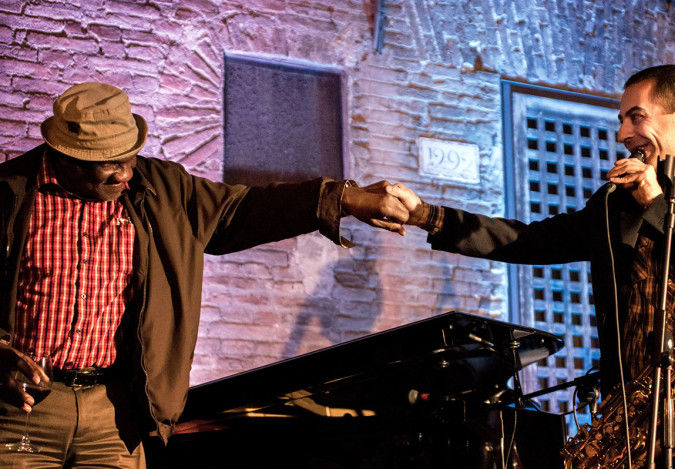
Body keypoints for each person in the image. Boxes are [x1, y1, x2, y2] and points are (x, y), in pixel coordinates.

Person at [0, 82, 411, 468]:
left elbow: (245, 209)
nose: (124, 174)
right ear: (65, 156)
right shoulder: (10, 194)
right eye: (108, 163)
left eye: (129, 155)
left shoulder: (163, 188)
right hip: (20, 411)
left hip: (114, 413)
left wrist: (343, 198)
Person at [393, 64, 675, 467]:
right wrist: (427, 216)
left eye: (636, 116)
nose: (623, 134)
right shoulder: (616, 203)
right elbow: (530, 240)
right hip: (636, 428)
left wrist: (657, 204)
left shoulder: (654, 197)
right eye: (621, 119)